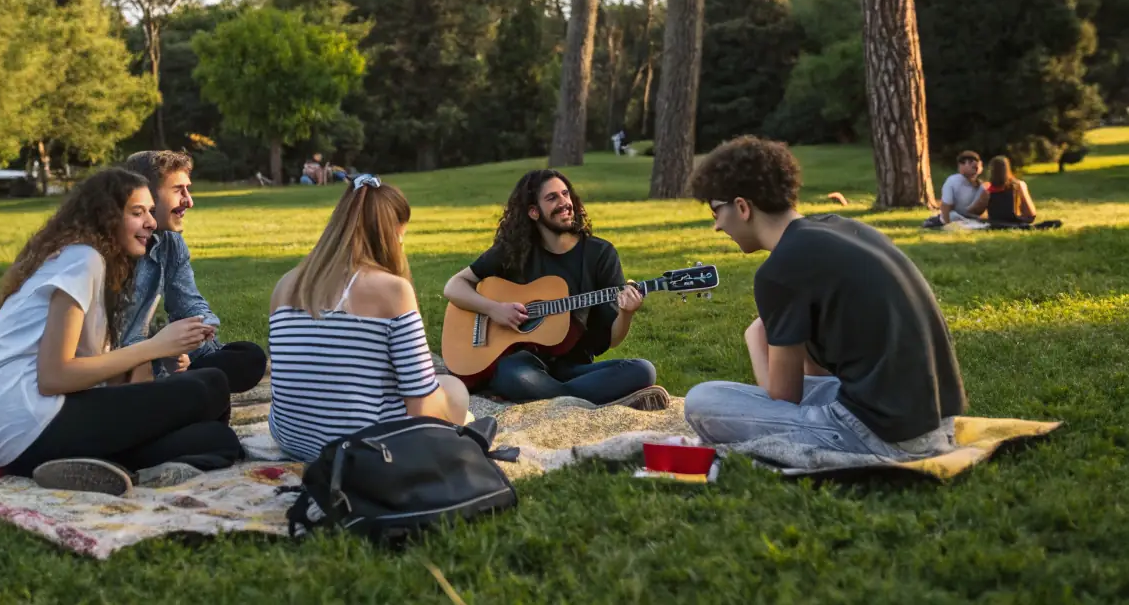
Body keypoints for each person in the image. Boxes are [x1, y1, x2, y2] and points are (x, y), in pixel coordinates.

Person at [682, 136, 967, 465]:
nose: (717, 226)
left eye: (716, 211)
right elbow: (816, 376)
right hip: (936, 421)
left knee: (702, 400)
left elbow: (784, 399)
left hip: (884, 435)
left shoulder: (779, 270)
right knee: (812, 395)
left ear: (743, 207)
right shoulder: (843, 228)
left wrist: (754, 339)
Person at [0, 168, 244, 495]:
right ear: (105, 217)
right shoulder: (83, 260)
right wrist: (155, 347)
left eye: (151, 212)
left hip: (12, 438)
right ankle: (101, 460)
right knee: (210, 385)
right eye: (137, 213)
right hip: (27, 419)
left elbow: (102, 380)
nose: (151, 223)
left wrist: (157, 364)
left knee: (218, 439)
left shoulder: (89, 262)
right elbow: (54, 376)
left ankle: (93, 465)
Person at [267, 174, 469, 461]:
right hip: (362, 450)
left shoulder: (285, 284)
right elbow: (422, 406)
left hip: (291, 438)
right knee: (454, 389)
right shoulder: (392, 290)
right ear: (396, 232)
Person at [442, 169, 668, 409]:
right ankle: (584, 401)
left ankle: (557, 398)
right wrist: (493, 309)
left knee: (643, 370)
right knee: (511, 373)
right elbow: (454, 286)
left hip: (574, 367)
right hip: (523, 363)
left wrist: (627, 313)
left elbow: (612, 339)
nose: (564, 203)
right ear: (533, 211)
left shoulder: (599, 254)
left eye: (565, 194)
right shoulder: (516, 251)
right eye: (552, 198)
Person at [119, 150, 267, 391]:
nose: (189, 201)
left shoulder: (170, 243)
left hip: (156, 360)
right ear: (145, 194)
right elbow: (109, 344)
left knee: (248, 358)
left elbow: (188, 304)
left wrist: (198, 330)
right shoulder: (105, 255)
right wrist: (162, 348)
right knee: (209, 395)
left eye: (188, 189)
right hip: (119, 375)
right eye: (179, 190)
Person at [985, 156, 1061, 229]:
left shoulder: (986, 188)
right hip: (1016, 222)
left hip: (995, 223)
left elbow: (975, 212)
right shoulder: (1018, 185)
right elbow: (1031, 215)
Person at [928, 150, 989, 227]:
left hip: (972, 218)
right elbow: (946, 206)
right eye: (970, 163)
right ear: (961, 166)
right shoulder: (953, 181)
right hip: (954, 217)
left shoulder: (982, 186)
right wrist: (947, 224)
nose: (975, 167)